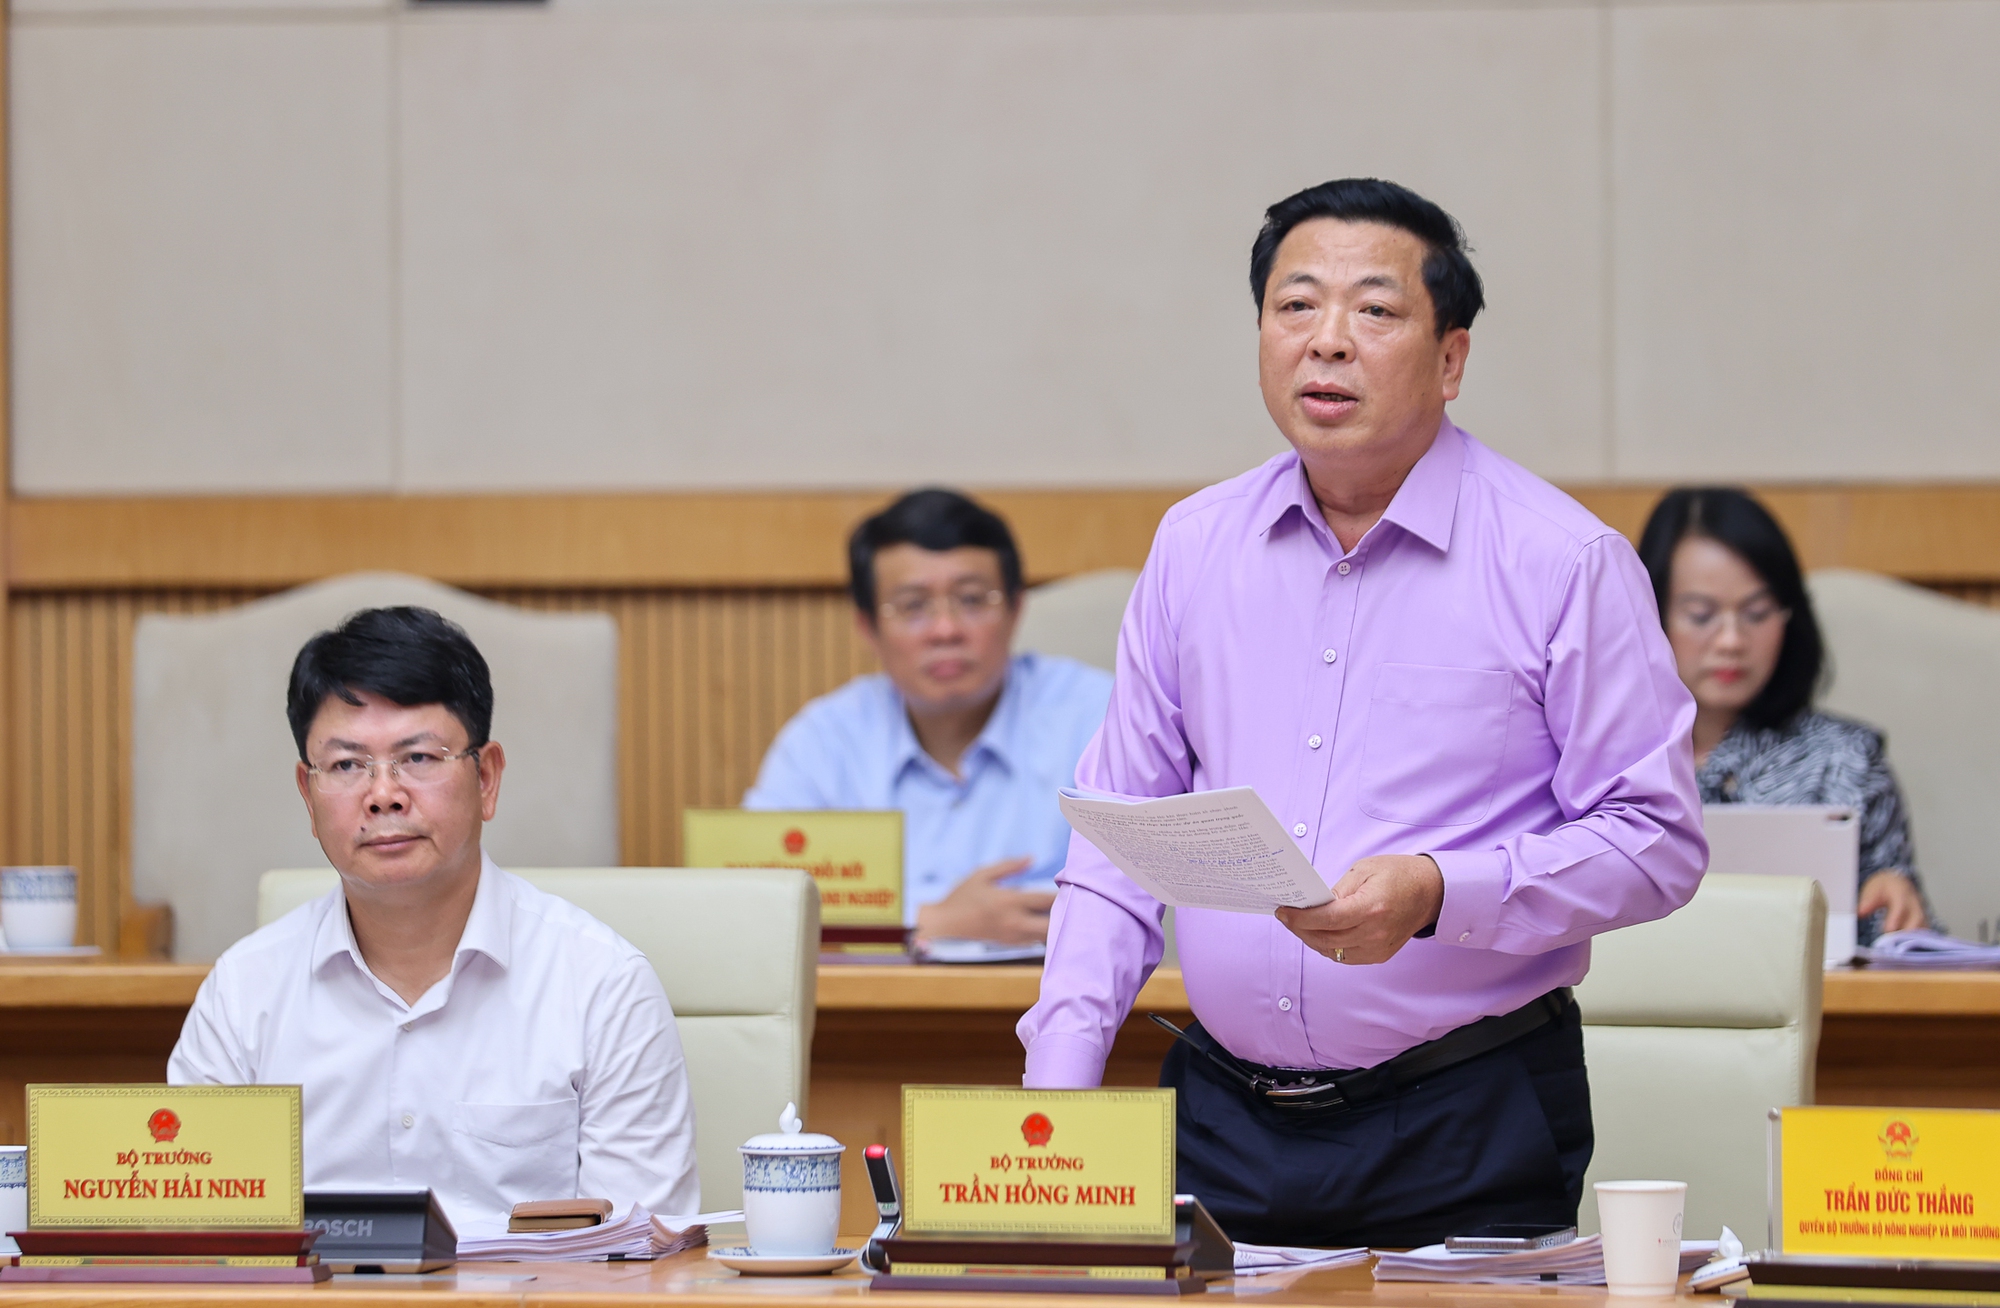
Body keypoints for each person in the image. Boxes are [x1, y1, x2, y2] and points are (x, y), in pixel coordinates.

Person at [1017, 178, 1707, 1247]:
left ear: (1450, 359)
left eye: (1373, 309)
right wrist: (1057, 1092)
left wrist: (1439, 891)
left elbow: (1656, 840)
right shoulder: (1195, 548)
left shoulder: (1561, 560)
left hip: (1463, 1113)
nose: (1326, 340)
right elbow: (1119, 833)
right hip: (1219, 1114)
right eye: (1295, 305)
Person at [169, 606, 698, 1234]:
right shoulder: (243, 994)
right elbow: (199, 1241)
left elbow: (638, 1256)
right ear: (308, 796)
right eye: (347, 765)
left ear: (487, 778)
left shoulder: (603, 987)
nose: (383, 794)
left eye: (418, 757)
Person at [745, 489, 1112, 945]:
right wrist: (930, 921)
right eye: (913, 606)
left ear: (1015, 609)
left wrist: (885, 920)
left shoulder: (1095, 717)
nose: (945, 630)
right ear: (868, 627)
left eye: (972, 599)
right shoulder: (823, 742)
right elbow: (760, 905)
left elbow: (1128, 892)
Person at [1638, 487, 1932, 942]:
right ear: (1649, 615)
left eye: (1757, 613)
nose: (1732, 640)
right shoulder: (1600, 756)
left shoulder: (1846, 760)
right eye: (1701, 615)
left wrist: (1896, 904)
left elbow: (1909, 948)